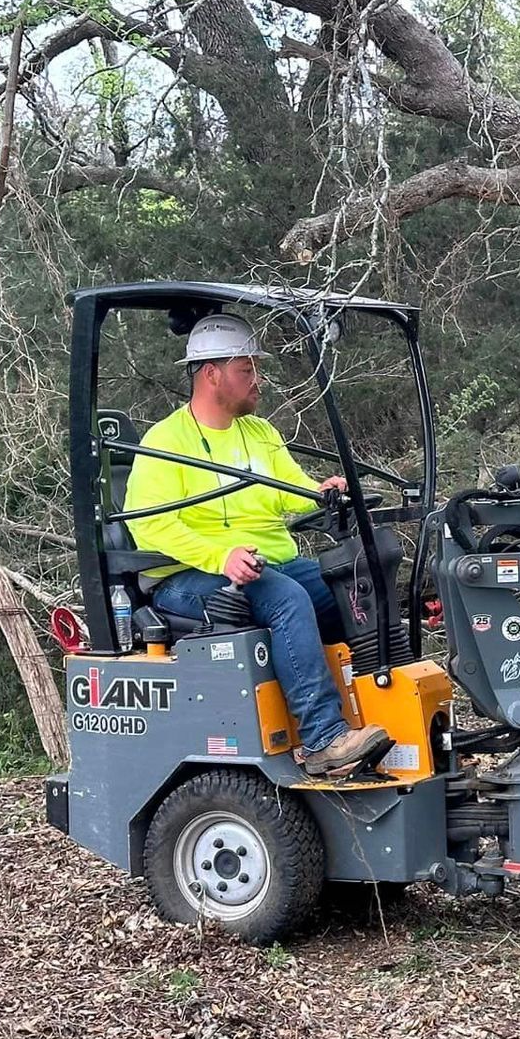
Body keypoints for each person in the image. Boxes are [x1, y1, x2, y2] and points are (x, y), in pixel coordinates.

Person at [123, 312, 391, 776]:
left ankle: (384, 712)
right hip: (190, 578)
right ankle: (324, 740)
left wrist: (320, 489)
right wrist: (220, 556)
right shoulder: (164, 442)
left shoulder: (260, 433)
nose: (257, 381)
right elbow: (149, 527)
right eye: (247, 370)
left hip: (269, 565)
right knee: (286, 598)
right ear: (211, 374)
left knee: (358, 585)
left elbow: (290, 488)